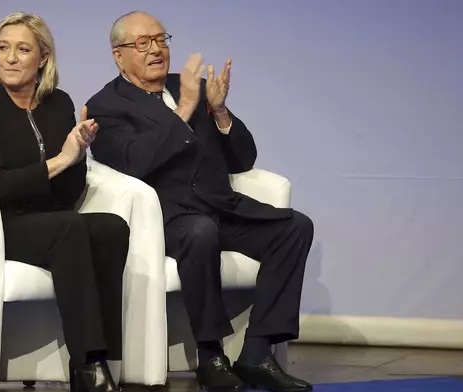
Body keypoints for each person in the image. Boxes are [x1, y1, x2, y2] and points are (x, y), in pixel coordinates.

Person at [85, 10, 314, 392]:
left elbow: (243, 159)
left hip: (221, 207)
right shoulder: (106, 105)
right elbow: (133, 162)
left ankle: (257, 352)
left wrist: (220, 111)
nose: (156, 50)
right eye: (143, 43)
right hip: (168, 217)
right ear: (118, 55)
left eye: (161, 40)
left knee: (294, 227)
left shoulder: (191, 85)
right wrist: (185, 110)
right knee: (200, 231)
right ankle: (210, 356)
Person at [0, 12, 127, 392]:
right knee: (67, 227)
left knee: (111, 227)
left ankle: (105, 358)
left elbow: (68, 192)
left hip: (48, 219)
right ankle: (89, 366)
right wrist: (60, 160)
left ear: (43, 57)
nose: (10, 58)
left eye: (22, 49)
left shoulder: (58, 103)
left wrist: (78, 153)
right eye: (4, 48)